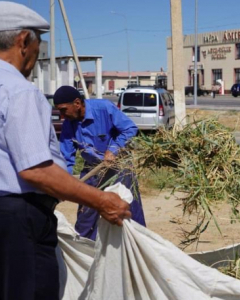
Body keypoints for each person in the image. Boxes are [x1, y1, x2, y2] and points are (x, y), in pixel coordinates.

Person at [0, 2, 131, 299]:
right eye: (39, 43)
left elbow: (127, 130)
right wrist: (100, 201)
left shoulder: (103, 109)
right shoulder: (19, 90)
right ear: (24, 41)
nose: (38, 52)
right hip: (19, 220)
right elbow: (36, 169)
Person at [54, 85, 146, 240]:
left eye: (64, 110)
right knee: (86, 216)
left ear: (77, 103)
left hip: (119, 168)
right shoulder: (68, 125)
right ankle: (88, 252)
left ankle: (137, 245)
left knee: (126, 211)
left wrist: (113, 149)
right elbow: (66, 159)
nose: (62, 116)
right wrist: (63, 185)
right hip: (92, 170)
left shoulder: (104, 108)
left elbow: (130, 128)